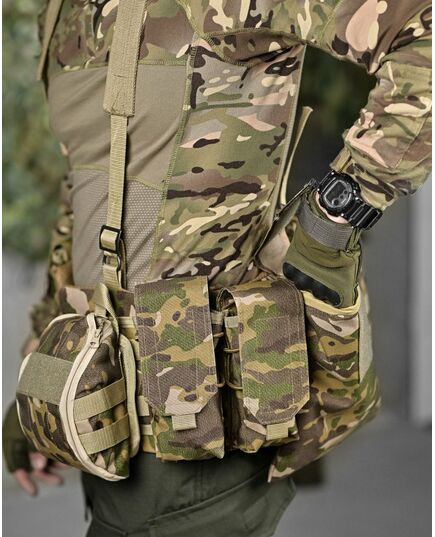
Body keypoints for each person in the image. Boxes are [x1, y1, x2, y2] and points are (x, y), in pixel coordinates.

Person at [3, 1, 431, 536]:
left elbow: (423, 33)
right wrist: (40, 383)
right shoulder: (64, 11)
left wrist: (334, 218)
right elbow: (85, 196)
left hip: (201, 418)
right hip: (103, 407)